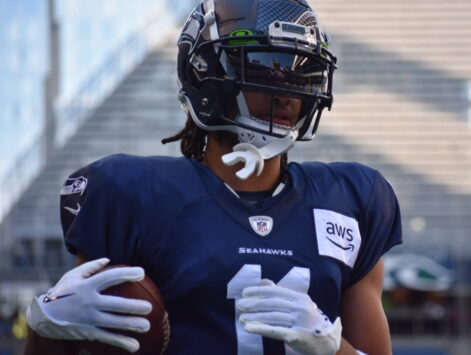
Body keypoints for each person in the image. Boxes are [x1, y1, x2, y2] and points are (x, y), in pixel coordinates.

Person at [25, 0, 402, 354]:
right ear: (207, 75)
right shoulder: (131, 194)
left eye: (302, 71)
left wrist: (331, 348)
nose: (287, 90)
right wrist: (45, 330)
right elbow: (77, 336)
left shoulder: (353, 199)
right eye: (264, 65)